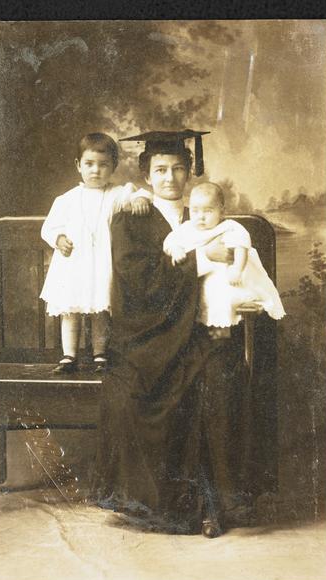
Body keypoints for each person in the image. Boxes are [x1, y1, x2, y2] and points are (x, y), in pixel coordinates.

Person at [90, 130, 247, 538]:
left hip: (198, 335)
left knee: (217, 381)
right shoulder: (132, 215)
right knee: (132, 393)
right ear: (145, 173)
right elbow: (137, 280)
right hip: (147, 337)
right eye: (160, 170)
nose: (170, 178)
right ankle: (162, 506)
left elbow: (241, 271)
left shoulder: (208, 214)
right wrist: (200, 260)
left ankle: (214, 504)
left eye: (179, 169)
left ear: (190, 171)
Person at [40, 133, 150, 373]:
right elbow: (49, 227)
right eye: (89, 164)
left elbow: (138, 193)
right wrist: (58, 239)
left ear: (113, 167)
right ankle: (69, 355)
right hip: (73, 265)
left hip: (101, 263)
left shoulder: (116, 194)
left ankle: (100, 354)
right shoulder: (66, 199)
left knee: (100, 308)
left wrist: (140, 198)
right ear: (78, 165)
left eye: (103, 165)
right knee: (70, 310)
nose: (95, 171)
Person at [163, 182, 286, 328]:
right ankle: (215, 331)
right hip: (204, 277)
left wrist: (237, 269)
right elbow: (169, 241)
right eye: (195, 211)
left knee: (226, 297)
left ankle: (225, 329)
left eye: (208, 211)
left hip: (231, 274)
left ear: (221, 212)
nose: (200, 217)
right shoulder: (187, 228)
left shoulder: (228, 227)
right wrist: (176, 249)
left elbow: (242, 245)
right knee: (206, 301)